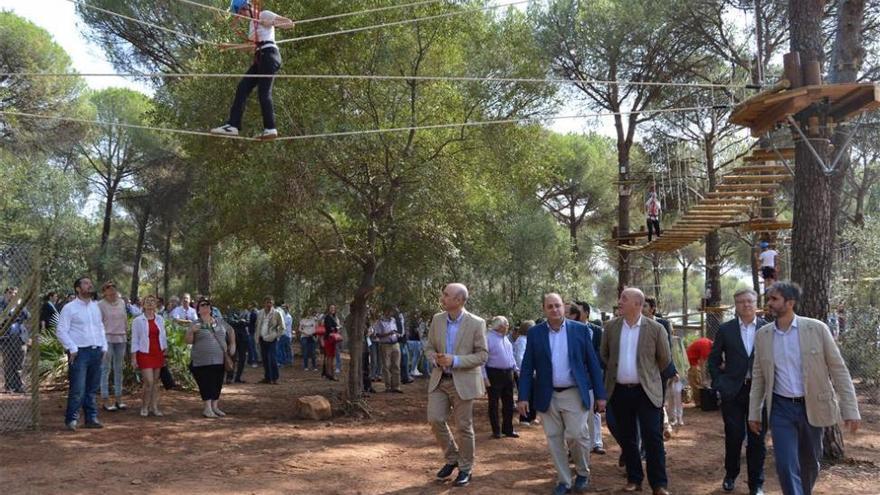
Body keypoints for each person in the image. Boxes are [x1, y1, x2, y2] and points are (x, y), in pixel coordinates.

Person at [748, 282, 860, 495]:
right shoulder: (763, 335)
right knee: (785, 463)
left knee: (810, 463)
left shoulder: (816, 329)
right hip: (780, 408)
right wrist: (754, 412)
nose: (769, 303)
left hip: (813, 406)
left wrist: (850, 409)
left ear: (789, 303)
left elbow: (839, 370)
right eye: (769, 298)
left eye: (774, 299)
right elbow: (759, 377)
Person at [518, 294, 607, 495]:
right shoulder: (535, 333)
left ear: (564, 308)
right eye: (550, 306)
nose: (554, 309)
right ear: (544, 309)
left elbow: (593, 364)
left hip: (574, 392)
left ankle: (583, 472)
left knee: (577, 434)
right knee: (554, 438)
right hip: (546, 394)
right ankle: (564, 481)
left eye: (557, 306)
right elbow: (526, 367)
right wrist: (523, 396)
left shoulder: (580, 330)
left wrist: (600, 395)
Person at [600, 288, 671, 495]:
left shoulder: (656, 329)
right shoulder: (610, 327)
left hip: (646, 392)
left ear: (637, 304)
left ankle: (659, 484)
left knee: (653, 437)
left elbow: (664, 360)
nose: (619, 302)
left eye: (624, 299)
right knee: (628, 437)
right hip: (620, 391)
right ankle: (634, 479)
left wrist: (646, 375)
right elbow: (605, 355)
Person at [424, 283, 487, 487]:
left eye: (446, 295)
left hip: (463, 382)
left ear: (459, 300)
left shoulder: (477, 323)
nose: (442, 298)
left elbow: (482, 355)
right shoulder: (437, 319)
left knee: (464, 427)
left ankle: (466, 468)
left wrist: (456, 360)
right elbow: (429, 347)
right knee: (435, 419)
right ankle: (452, 458)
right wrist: (434, 357)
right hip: (440, 380)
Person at [708, 288, 767, 495]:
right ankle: (730, 474)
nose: (746, 305)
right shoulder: (726, 329)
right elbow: (713, 360)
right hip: (732, 391)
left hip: (759, 393)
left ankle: (756, 484)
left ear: (756, 303)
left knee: (757, 440)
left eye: (750, 301)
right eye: (741, 302)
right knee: (733, 436)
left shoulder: (767, 329)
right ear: (736, 305)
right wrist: (719, 383)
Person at [210, 0, 294, 140]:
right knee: (242, 87)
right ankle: (233, 126)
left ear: (248, 6)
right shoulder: (251, 26)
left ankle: (270, 128)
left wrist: (271, 22)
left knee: (264, 92)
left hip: (269, 54)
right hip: (260, 57)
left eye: (242, 11)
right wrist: (229, 47)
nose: (242, 15)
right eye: (239, 13)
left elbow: (289, 24)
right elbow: (251, 47)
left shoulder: (264, 14)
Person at [56, 277, 108, 431]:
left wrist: (103, 346)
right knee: (78, 388)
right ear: (78, 288)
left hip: (96, 351)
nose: (90, 285)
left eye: (90, 283)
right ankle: (71, 419)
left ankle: (91, 418)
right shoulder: (69, 308)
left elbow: (100, 327)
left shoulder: (96, 307)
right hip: (79, 353)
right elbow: (61, 330)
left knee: (92, 389)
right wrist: (72, 348)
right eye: (86, 283)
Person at [186, 298, 235, 418]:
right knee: (205, 383)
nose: (205, 307)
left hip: (219, 359)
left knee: (217, 383)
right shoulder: (195, 324)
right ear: (198, 310)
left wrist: (232, 344)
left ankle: (215, 407)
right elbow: (188, 341)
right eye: (202, 305)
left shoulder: (219, 321)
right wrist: (191, 331)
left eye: (208, 305)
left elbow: (231, 330)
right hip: (201, 360)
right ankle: (207, 408)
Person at [573, 300, 606, 455]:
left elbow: (600, 354)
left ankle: (596, 442)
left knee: (594, 412)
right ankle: (575, 447)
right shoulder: (569, 330)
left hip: (592, 377)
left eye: (578, 310)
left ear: (586, 313)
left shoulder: (597, 331)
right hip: (575, 379)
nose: (575, 314)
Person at [483, 316, 519, 439]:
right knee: (494, 403)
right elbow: (482, 361)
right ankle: (496, 431)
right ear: (499, 326)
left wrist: (515, 369)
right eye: (506, 324)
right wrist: (484, 378)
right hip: (494, 374)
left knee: (509, 402)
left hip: (508, 374)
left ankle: (508, 429)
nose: (508, 326)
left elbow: (511, 356)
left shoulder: (506, 339)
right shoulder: (488, 338)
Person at [131, 295, 167, 417]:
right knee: (149, 382)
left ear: (156, 304)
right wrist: (133, 358)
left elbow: (163, 336)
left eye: (153, 301)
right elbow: (134, 340)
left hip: (158, 353)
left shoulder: (160, 319)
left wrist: (165, 350)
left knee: (156, 382)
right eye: (148, 301)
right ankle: (144, 406)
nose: (150, 304)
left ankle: (154, 407)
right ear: (143, 304)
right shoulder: (137, 321)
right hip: (144, 353)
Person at [96, 281, 128, 411]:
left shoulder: (122, 302)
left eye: (114, 290)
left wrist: (126, 332)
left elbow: (125, 319)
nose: (112, 293)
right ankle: (105, 400)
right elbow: (98, 323)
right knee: (105, 368)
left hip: (121, 338)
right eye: (109, 291)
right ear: (104, 292)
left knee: (119, 369)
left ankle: (119, 399)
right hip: (106, 338)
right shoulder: (100, 305)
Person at [1, 287, 30, 394]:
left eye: (15, 293)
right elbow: (2, 318)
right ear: (6, 294)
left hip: (20, 338)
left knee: (19, 363)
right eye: (10, 292)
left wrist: (19, 305)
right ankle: (9, 387)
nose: (13, 295)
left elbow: (27, 315)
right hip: (6, 338)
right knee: (8, 363)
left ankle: (19, 386)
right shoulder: (2, 304)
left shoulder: (20, 305)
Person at [371, 306, 402, 392]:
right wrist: (388, 334)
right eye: (391, 311)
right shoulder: (379, 322)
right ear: (386, 311)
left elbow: (397, 330)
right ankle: (388, 386)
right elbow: (377, 335)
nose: (392, 313)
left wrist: (397, 334)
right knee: (386, 366)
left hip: (395, 344)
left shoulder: (394, 320)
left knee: (396, 365)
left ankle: (396, 386)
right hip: (385, 345)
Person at [512, 319, 537, 426]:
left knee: (532, 395)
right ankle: (524, 418)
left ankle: (531, 417)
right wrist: (528, 370)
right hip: (524, 373)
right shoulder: (522, 340)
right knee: (525, 395)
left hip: (530, 373)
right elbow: (519, 358)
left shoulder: (527, 339)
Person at [255, 296, 284, 384]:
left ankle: (274, 378)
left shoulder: (277, 313)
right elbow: (257, 325)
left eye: (270, 303)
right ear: (264, 303)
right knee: (264, 359)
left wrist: (276, 336)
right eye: (267, 302)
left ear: (273, 303)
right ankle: (267, 377)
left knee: (272, 358)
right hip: (262, 338)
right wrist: (257, 337)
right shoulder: (260, 313)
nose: (269, 304)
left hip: (272, 339)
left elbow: (282, 327)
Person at [686, 336, 713, 408]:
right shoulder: (707, 347)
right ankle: (699, 402)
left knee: (697, 381)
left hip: (694, 360)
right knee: (696, 382)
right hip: (691, 361)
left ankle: (699, 401)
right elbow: (703, 364)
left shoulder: (708, 342)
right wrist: (704, 379)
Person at [226, 310, 250, 383]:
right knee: (232, 357)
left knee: (242, 359)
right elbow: (230, 322)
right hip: (233, 338)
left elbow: (248, 322)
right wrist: (241, 321)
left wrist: (238, 322)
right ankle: (229, 377)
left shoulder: (246, 312)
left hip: (243, 339)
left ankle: (238, 377)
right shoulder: (231, 312)